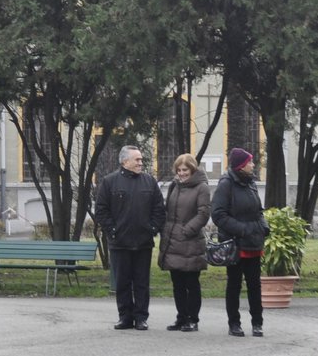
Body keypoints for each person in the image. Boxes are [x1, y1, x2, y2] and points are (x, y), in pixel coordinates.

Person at [93, 144, 165, 331]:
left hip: (143, 242)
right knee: (123, 282)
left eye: (141, 159)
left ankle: (141, 317)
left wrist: (152, 228)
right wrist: (113, 231)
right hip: (120, 243)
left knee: (142, 282)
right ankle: (125, 317)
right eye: (137, 159)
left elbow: (159, 208)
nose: (141, 162)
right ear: (125, 161)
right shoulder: (110, 182)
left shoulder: (149, 182)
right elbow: (101, 210)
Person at [211, 148, 269, 337]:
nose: (253, 165)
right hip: (235, 244)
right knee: (234, 284)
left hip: (254, 242)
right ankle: (234, 323)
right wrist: (242, 229)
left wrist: (264, 227)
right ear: (241, 165)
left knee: (255, 285)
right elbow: (218, 215)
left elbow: (259, 211)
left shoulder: (251, 183)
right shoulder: (226, 184)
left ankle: (257, 323)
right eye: (250, 162)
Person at [158, 152, 210, 331]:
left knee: (191, 283)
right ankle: (181, 317)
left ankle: (193, 319)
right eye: (179, 170)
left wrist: (187, 230)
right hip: (173, 242)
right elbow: (168, 211)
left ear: (192, 169)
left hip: (191, 242)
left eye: (185, 170)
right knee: (177, 283)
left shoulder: (202, 187)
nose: (181, 173)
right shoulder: (174, 186)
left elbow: (203, 213)